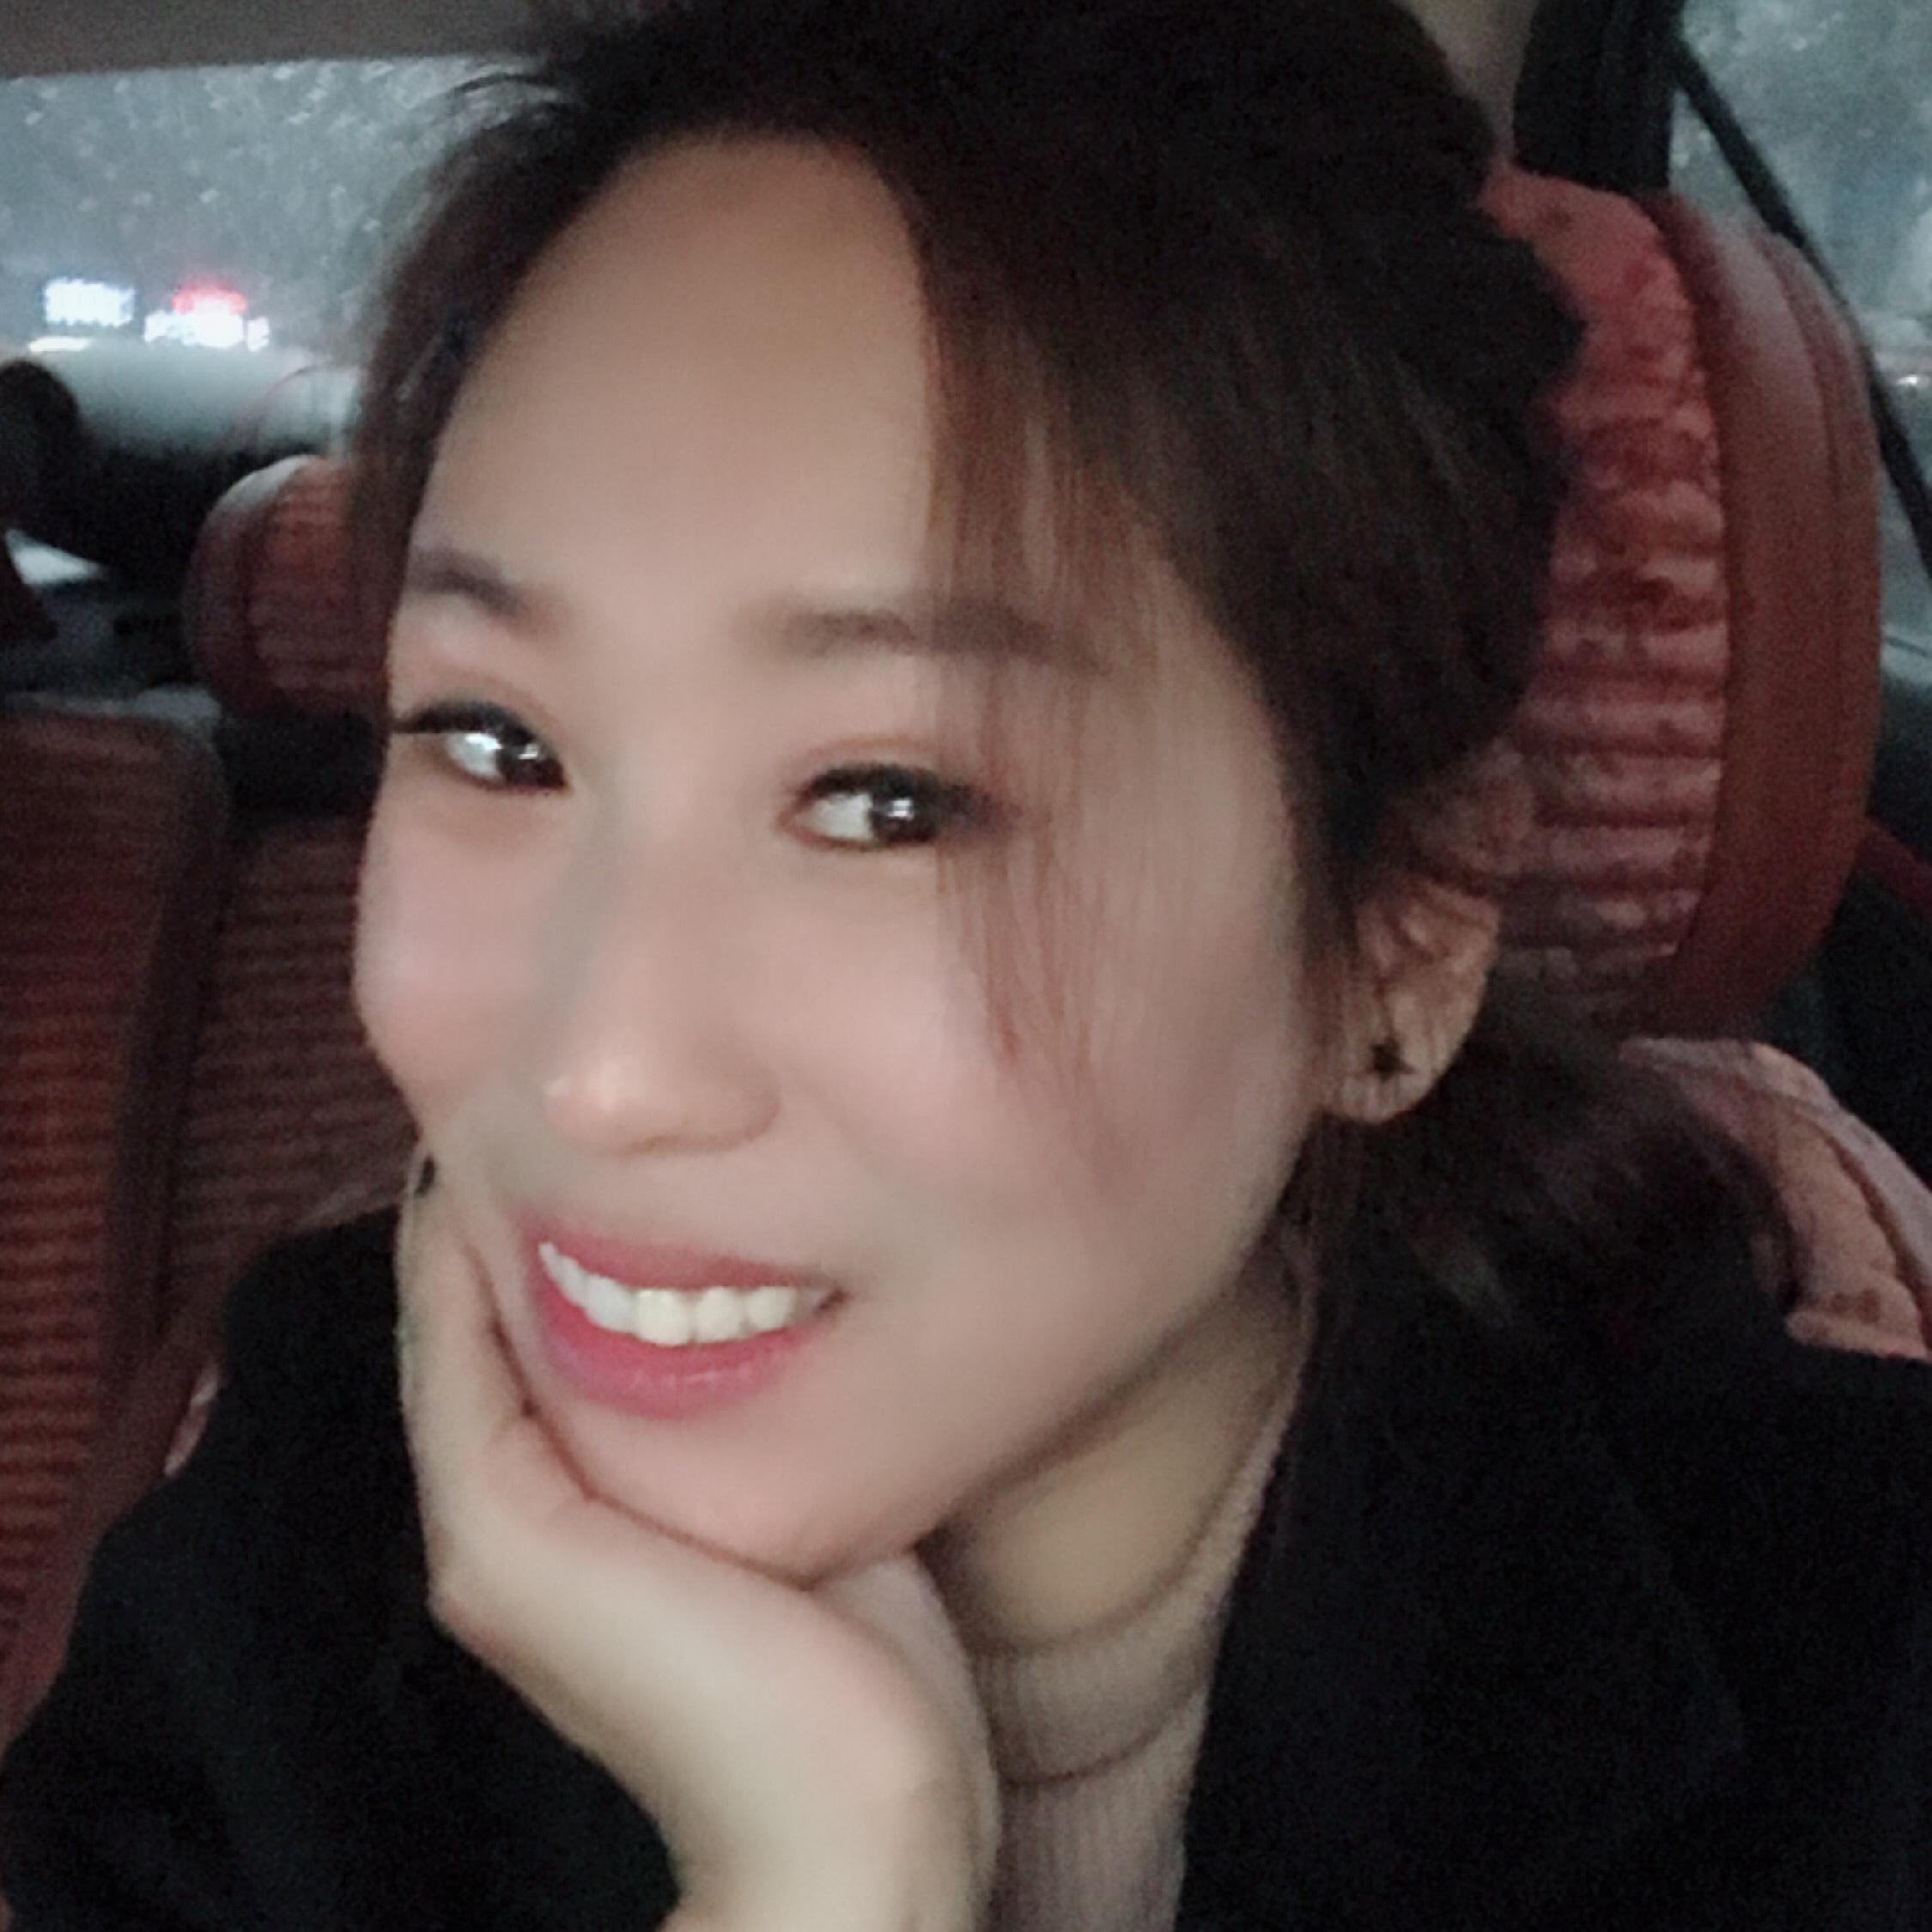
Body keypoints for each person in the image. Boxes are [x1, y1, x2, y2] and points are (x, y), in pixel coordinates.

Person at [4, 1, 1930, 1927]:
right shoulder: (275, 1558)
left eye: (889, 801)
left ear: (1400, 937)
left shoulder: (1862, 1680)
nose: (599, 1071)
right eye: (497, 742)